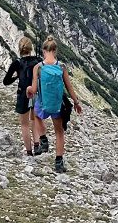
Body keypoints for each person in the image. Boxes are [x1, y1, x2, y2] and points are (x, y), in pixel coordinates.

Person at [26, 36, 83, 173]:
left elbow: (33, 90)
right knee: (59, 133)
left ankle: (43, 139)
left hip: (43, 102)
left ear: (44, 51)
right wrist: (76, 102)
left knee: (36, 115)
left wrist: (28, 90)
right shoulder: (62, 67)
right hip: (57, 104)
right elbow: (69, 88)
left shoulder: (38, 67)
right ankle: (58, 162)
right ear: (55, 51)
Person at [2, 36, 48, 156]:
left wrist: (17, 77)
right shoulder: (38, 60)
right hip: (36, 93)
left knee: (24, 124)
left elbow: (5, 81)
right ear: (31, 48)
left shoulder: (17, 63)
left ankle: (29, 151)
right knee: (35, 120)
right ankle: (37, 146)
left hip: (23, 94)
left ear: (20, 49)